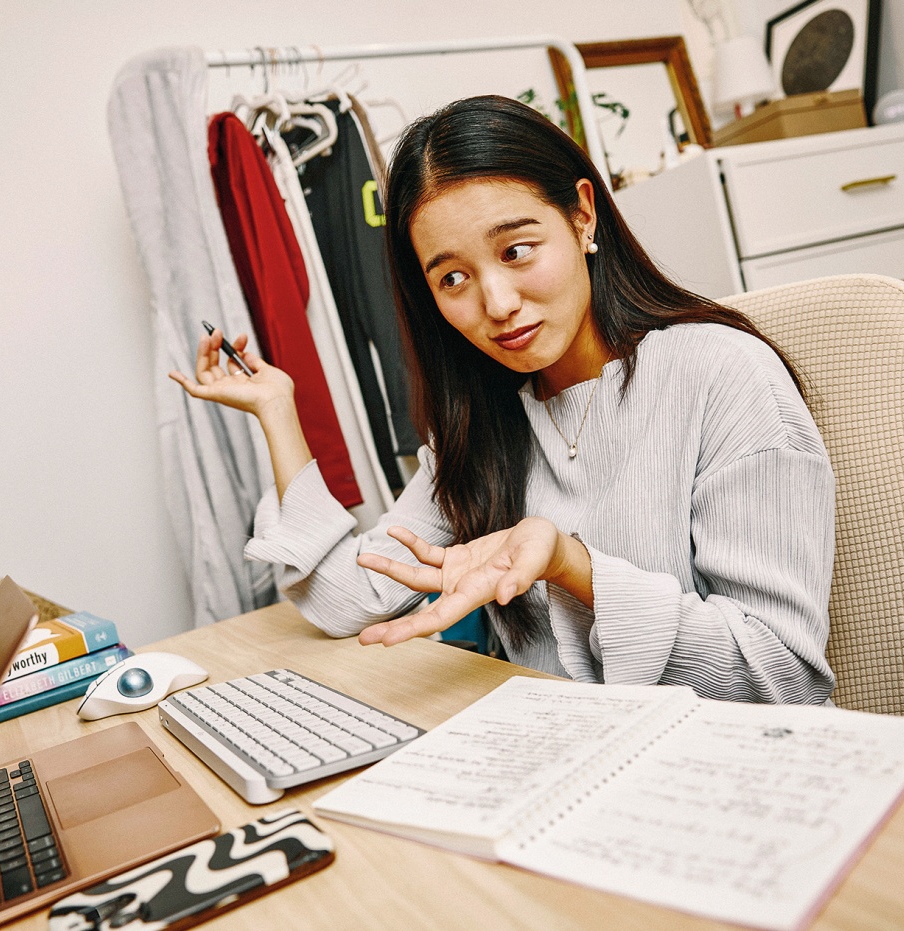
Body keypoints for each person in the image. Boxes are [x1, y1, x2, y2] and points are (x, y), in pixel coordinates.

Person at [170, 95, 835, 704]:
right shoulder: (483, 426)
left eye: (516, 250)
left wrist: (572, 565)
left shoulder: (721, 374)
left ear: (582, 214)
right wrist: (278, 410)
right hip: (548, 764)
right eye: (453, 277)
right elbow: (351, 595)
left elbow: (782, 676)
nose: (496, 304)